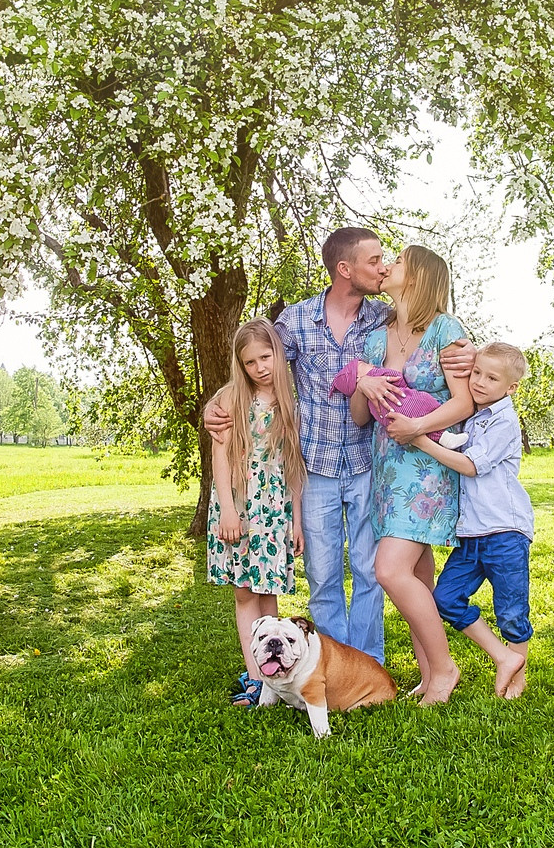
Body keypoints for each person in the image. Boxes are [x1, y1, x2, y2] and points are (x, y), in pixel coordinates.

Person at [203, 227, 473, 668]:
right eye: (374, 261)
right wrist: (215, 402)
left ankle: (367, 666)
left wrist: (471, 352)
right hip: (316, 466)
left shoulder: (385, 318)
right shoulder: (296, 320)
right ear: (344, 269)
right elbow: (254, 360)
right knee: (323, 577)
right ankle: (330, 668)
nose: (383, 267)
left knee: (371, 573)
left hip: (372, 463)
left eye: (387, 260)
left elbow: (433, 332)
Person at [353, 243, 477, 704]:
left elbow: (463, 402)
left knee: (389, 570)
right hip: (386, 470)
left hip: (426, 468)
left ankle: (445, 670)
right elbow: (361, 417)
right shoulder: (377, 334)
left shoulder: (446, 329)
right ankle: (427, 676)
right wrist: (361, 383)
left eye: (398, 262)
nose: (387, 267)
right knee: (418, 580)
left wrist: (419, 427)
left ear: (420, 275)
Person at [411, 340, 534, 699]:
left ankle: (517, 678)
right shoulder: (472, 415)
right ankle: (501, 657)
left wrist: (421, 441)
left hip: (505, 531)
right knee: (446, 598)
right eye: (477, 372)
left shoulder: (504, 422)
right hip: (471, 534)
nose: (479, 382)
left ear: (510, 388)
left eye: (491, 378)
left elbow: (471, 465)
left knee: (511, 608)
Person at [204, 319, 306, 707]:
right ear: (240, 366)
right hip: (240, 503)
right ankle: (253, 677)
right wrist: (229, 511)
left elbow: (293, 465)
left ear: (279, 355)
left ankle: (273, 673)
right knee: (245, 593)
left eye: (266, 357)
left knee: (268, 592)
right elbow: (220, 457)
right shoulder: (231, 398)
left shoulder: (289, 401)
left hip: (275, 505)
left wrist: (296, 519)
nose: (260, 367)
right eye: (250, 362)